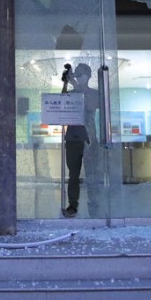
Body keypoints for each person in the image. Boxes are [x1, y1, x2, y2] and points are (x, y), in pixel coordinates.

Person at [62, 63, 99, 218]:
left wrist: (75, 85)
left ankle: (94, 205)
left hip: (89, 138)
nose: (79, 77)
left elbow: (91, 105)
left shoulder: (94, 93)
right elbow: (61, 105)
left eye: (82, 74)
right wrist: (65, 83)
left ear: (89, 76)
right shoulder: (73, 92)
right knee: (73, 175)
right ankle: (72, 205)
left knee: (92, 174)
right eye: (77, 74)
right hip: (72, 138)